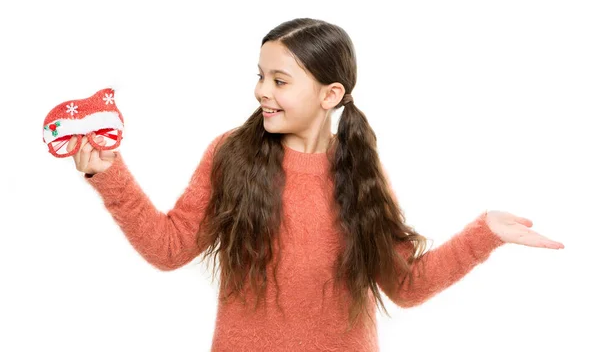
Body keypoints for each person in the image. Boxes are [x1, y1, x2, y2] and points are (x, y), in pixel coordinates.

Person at [67, 18, 564, 352]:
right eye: (260, 75)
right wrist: (108, 175)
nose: (263, 90)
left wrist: (485, 233)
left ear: (331, 94)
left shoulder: (361, 169)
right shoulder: (230, 155)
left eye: (280, 80)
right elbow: (169, 247)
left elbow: (406, 285)